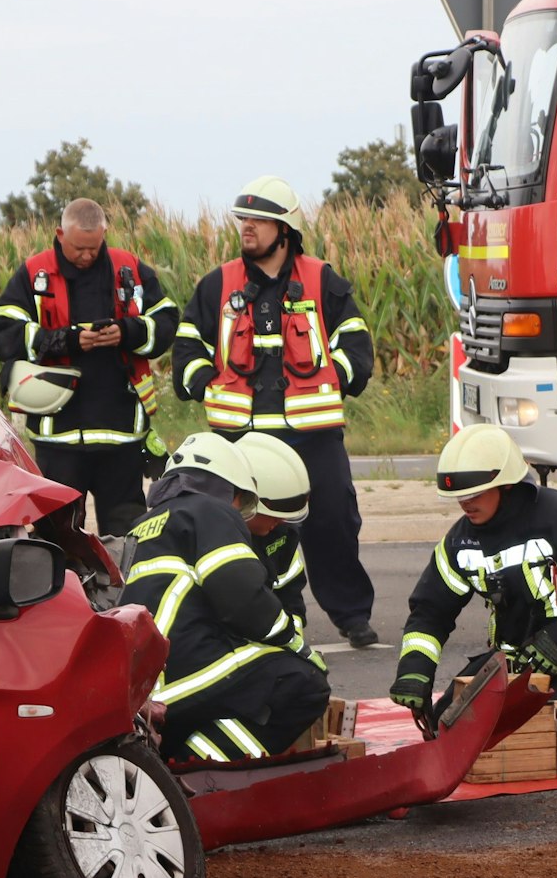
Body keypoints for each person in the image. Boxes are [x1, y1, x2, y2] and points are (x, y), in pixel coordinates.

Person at [172, 175, 380, 648]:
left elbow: (355, 339)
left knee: (333, 523)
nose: (247, 228)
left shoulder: (322, 279)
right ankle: (259, 618)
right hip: (238, 444)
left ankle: (351, 616)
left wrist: (340, 376)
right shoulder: (217, 284)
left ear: (284, 229)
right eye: (243, 219)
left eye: (258, 221)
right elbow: (187, 344)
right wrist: (202, 382)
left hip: (312, 436)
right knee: (246, 531)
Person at [386, 425, 557, 721]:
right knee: (449, 721)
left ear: (507, 485)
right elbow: (430, 610)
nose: (466, 503)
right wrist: (415, 669)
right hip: (518, 663)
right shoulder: (460, 543)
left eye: (475, 493)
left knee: (542, 732)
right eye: (459, 496)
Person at [120, 432, 329, 764]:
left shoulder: (143, 525)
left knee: (253, 683)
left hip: (139, 687)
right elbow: (242, 598)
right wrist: (296, 647)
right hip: (182, 671)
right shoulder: (210, 512)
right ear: (228, 486)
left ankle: (165, 756)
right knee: (304, 686)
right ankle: (194, 766)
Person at [0, 197, 178, 536]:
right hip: (57, 440)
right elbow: (2, 334)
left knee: (126, 538)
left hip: (120, 436)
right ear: (60, 233)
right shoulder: (35, 273)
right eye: (79, 248)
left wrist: (126, 332)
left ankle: (122, 591)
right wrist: (67, 340)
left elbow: (167, 322)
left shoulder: (131, 270)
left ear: (105, 233)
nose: (87, 256)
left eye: (94, 247)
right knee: (57, 540)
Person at [236, 431, 311, 625]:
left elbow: (291, 597)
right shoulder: (215, 539)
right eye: (276, 513)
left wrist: (294, 642)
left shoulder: (283, 535)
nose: (281, 521)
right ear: (247, 501)